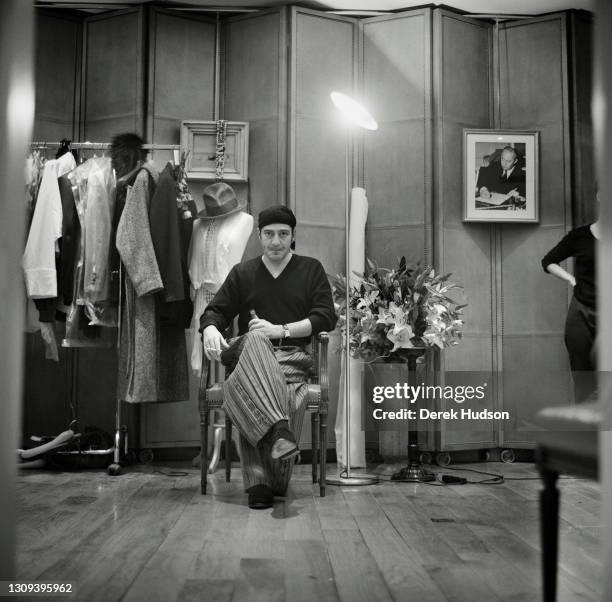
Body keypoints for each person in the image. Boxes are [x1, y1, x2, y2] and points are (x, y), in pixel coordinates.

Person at [200, 205, 337, 509]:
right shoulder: (243, 272)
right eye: (269, 234)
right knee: (255, 340)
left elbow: (326, 317)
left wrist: (281, 330)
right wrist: (210, 327)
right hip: (247, 355)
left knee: (255, 389)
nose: (276, 241)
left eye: (283, 234)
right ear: (260, 236)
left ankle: (265, 478)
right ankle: (270, 454)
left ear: (293, 237)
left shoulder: (310, 269)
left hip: (291, 359)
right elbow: (216, 311)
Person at [541, 198, 599, 403]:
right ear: (599, 196)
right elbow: (548, 261)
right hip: (581, 311)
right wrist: (571, 279)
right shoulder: (580, 236)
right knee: (583, 374)